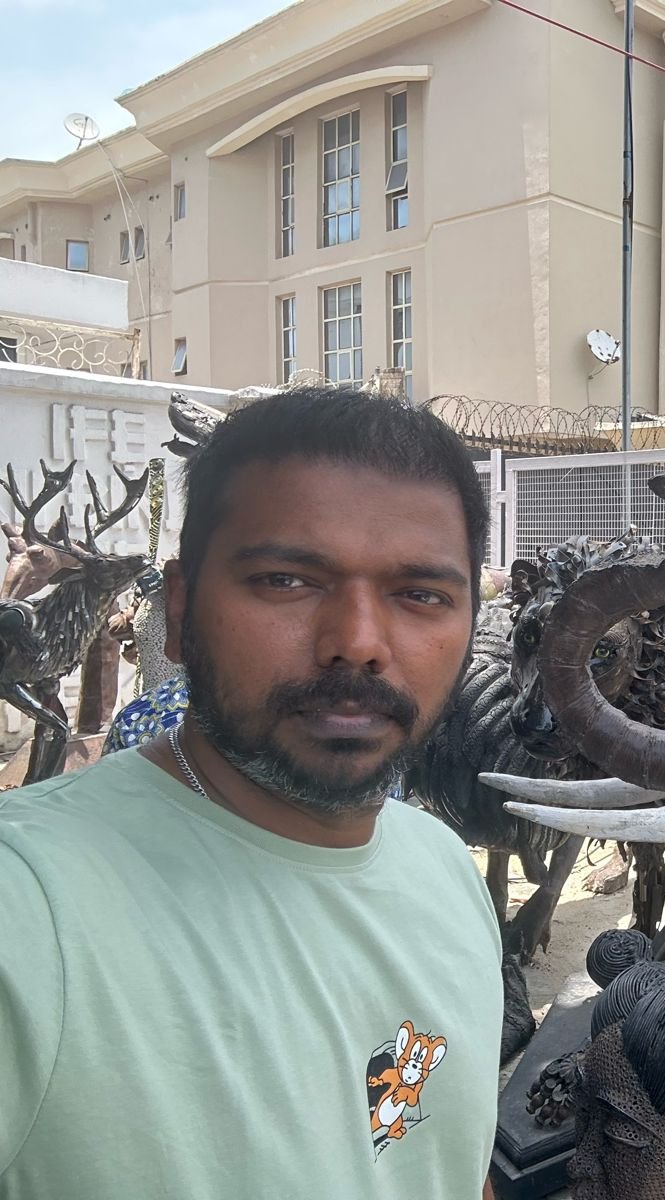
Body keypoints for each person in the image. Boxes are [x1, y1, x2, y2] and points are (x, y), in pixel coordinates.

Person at [0, 387, 503, 1199]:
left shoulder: (445, 869)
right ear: (179, 609)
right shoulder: (29, 908)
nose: (358, 643)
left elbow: (446, 1166)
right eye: (286, 580)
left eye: (420, 595)